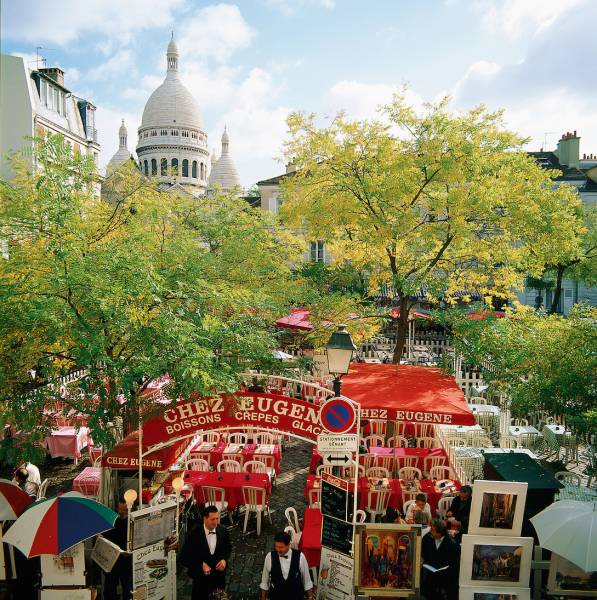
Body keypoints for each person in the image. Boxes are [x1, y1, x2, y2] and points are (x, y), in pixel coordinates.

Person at [180, 505, 232, 600]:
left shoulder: (223, 531)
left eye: (217, 518)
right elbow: (184, 557)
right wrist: (200, 564)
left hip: (219, 580)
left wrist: (224, 560)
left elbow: (228, 549)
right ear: (205, 519)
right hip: (201, 581)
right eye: (212, 519)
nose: (216, 522)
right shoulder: (194, 534)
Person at [260, 531, 313, 600]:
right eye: (276, 546)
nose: (278, 550)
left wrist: (310, 597)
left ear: (289, 545)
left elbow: (307, 581)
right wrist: (263, 598)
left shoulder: (300, 557)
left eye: (281, 547)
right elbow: (264, 581)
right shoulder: (269, 557)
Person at [421, 518, 460, 600]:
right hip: (430, 575)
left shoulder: (452, 544)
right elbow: (424, 554)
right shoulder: (427, 539)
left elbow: (454, 563)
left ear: (440, 533)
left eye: (433, 530)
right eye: (431, 529)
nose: (430, 532)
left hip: (446, 576)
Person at [102, 497, 133, 600]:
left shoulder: (132, 521)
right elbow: (104, 538)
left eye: (125, 510)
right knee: (110, 590)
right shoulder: (110, 520)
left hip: (127, 562)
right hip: (112, 561)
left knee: (128, 590)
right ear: (117, 508)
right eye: (121, 510)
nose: (123, 512)